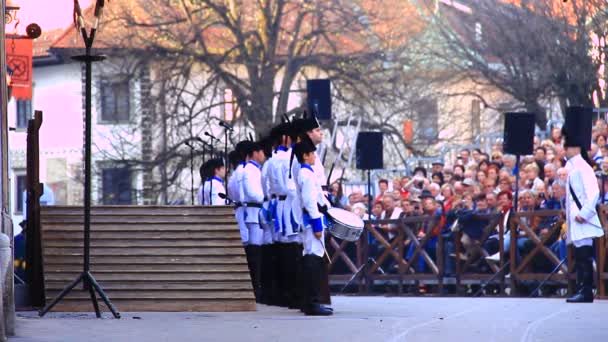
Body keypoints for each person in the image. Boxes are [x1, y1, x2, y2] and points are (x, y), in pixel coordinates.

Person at [562, 121, 605, 303]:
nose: (564, 149)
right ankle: (582, 288)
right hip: (576, 217)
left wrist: (584, 213)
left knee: (584, 255)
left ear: (575, 148)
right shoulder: (573, 166)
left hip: (582, 218)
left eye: (567, 146)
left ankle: (586, 290)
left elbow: (593, 192)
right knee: (580, 255)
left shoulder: (583, 167)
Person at [293, 138, 333, 316]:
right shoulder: (306, 175)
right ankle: (312, 302)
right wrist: (317, 223)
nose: (315, 157)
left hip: (311, 218)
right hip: (312, 220)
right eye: (312, 154)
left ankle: (309, 301)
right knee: (314, 259)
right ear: (305, 155)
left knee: (312, 258)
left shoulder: (306, 173)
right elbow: (310, 201)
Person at [242, 141, 267, 302]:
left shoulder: (255, 170)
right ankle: (255, 287)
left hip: (258, 211)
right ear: (255, 153)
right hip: (254, 212)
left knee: (258, 251)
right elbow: (252, 192)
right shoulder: (249, 170)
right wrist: (265, 199)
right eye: (262, 152)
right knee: (255, 251)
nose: (263, 156)